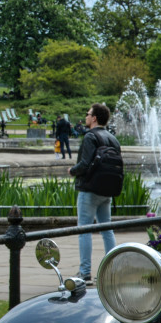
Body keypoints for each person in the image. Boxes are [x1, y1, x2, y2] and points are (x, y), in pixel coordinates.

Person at [68, 103, 121, 281]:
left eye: (88, 113)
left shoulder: (90, 136)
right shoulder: (113, 139)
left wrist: (72, 171)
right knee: (107, 230)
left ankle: (85, 272)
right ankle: (112, 269)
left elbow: (84, 164)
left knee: (84, 230)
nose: (86, 117)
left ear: (95, 118)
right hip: (107, 190)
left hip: (89, 189)